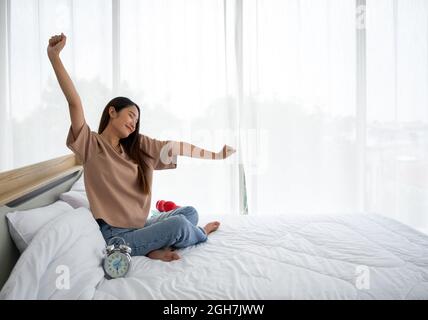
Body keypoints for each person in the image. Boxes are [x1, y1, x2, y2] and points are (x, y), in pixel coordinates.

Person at [47, 33, 236, 262]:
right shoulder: (91, 144)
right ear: (112, 111)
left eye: (136, 120)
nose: (133, 123)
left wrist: (216, 155)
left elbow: (177, 147)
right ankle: (199, 235)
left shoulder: (137, 146)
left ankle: (151, 247)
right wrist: (54, 56)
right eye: (130, 115)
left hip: (140, 225)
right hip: (117, 237)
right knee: (179, 224)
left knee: (190, 213)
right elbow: (74, 102)